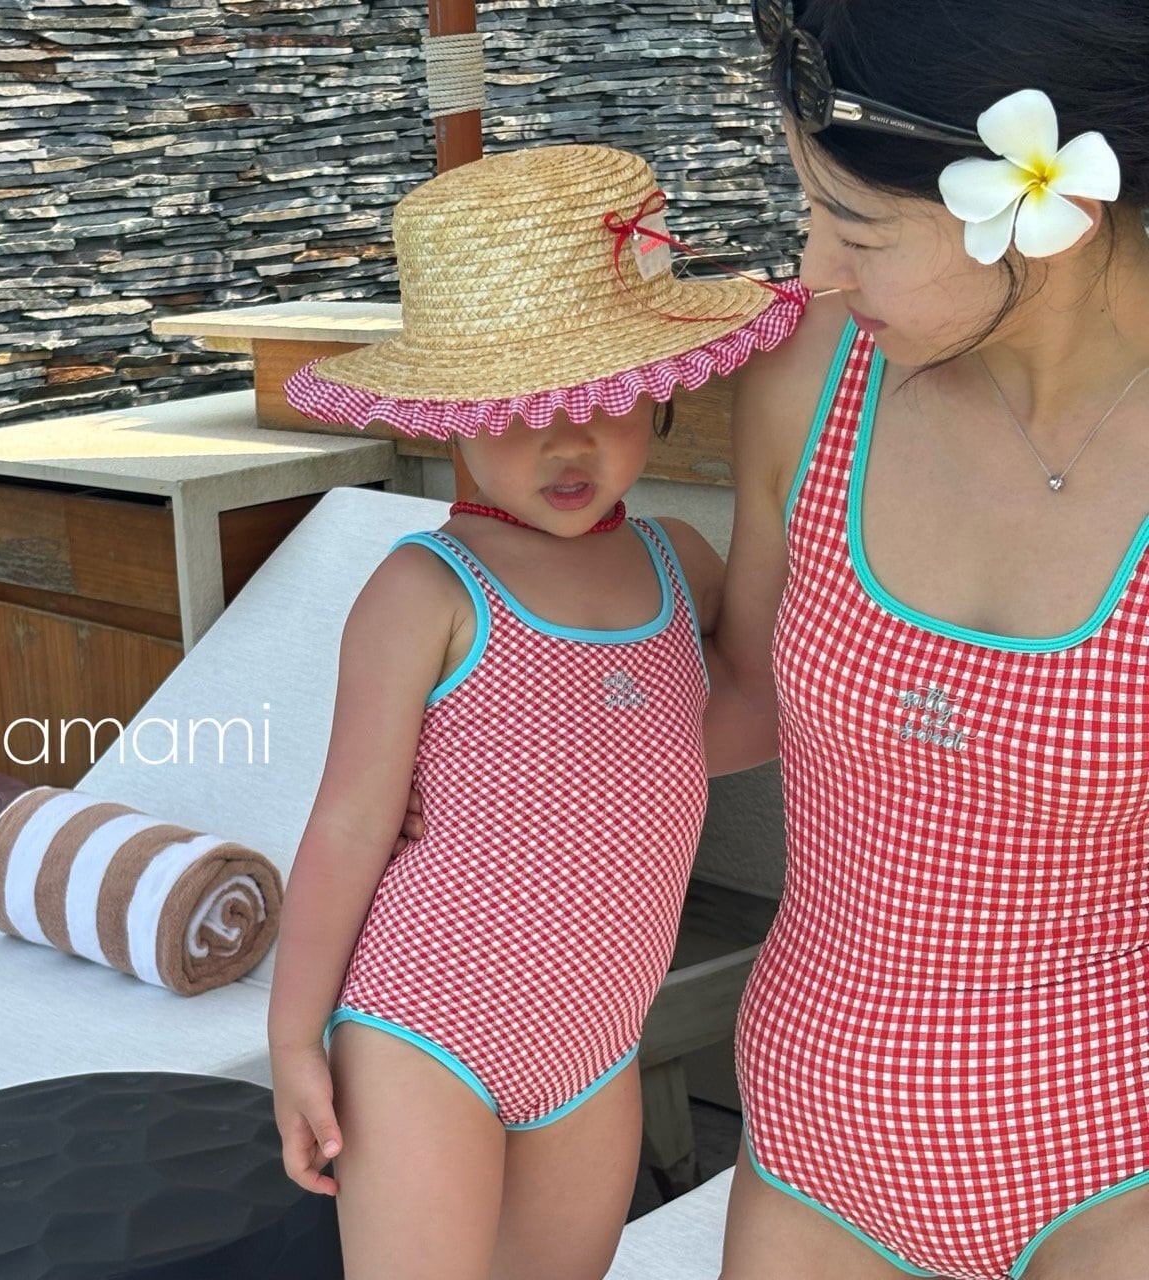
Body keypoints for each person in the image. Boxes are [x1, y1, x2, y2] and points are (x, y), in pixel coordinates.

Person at [265, 143, 806, 1280]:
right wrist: (292, 1035)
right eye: (519, 409)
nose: (566, 443)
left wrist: (774, 499)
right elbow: (352, 823)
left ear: (656, 390)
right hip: (423, 1023)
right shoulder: (427, 588)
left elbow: (739, 722)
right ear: (449, 413)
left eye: (598, 400)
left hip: (594, 1046)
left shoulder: (678, 563)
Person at [701, 3, 1149, 1279]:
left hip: (1112, 1162)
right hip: (810, 1142)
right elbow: (737, 703)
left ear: (1046, 207)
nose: (810, 270)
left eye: (854, 230)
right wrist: (556, 642)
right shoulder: (808, 378)